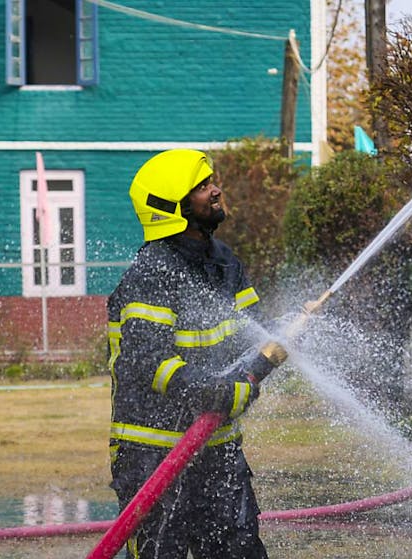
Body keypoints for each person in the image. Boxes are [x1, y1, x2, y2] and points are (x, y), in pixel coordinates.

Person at [107, 149, 288, 559]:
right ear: (171, 206)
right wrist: (218, 391)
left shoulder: (224, 263)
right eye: (202, 187)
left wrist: (289, 333)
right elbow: (150, 362)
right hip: (153, 455)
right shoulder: (152, 273)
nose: (216, 190)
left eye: (211, 182)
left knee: (239, 551)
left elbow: (253, 334)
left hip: (217, 447)